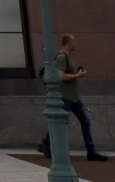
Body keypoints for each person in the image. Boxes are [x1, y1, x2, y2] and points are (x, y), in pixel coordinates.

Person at [35, 34, 108, 162]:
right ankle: (46, 142)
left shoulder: (66, 57)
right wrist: (78, 76)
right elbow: (61, 76)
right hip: (66, 97)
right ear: (67, 43)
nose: (76, 44)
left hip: (73, 97)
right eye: (74, 42)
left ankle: (91, 151)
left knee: (84, 122)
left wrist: (77, 74)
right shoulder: (62, 58)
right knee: (61, 123)